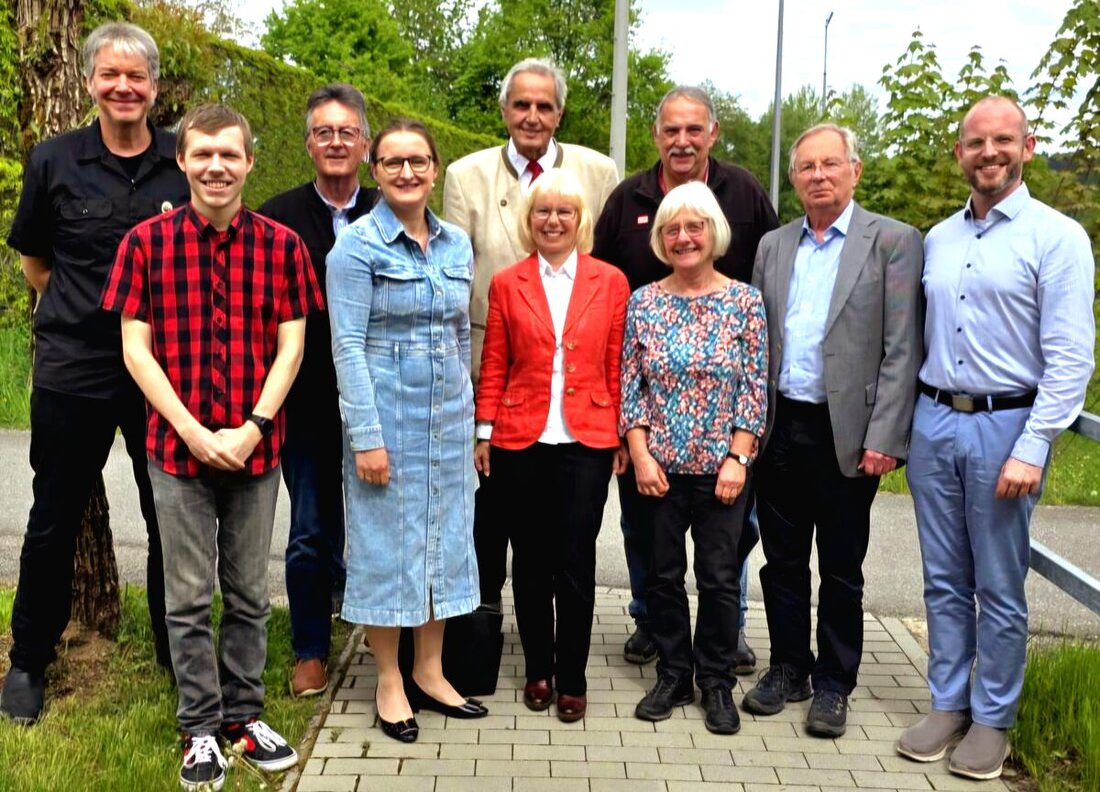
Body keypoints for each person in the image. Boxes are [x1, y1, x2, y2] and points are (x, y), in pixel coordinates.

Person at [102, 103, 321, 791]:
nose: (216, 166)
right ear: (182, 161)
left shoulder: (282, 246)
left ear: (250, 161)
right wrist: (192, 429)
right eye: (203, 155)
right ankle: (200, 727)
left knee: (250, 592)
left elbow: (294, 345)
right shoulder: (145, 243)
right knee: (189, 598)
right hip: (176, 450)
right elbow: (135, 348)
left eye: (230, 154)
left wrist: (254, 424)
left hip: (257, 449)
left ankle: (244, 716)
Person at [897, 96, 1094, 780]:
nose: (989, 153)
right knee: (943, 578)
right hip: (934, 421)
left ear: (1027, 146)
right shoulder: (938, 237)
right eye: (976, 143)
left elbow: (1070, 358)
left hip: (1007, 424)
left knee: (998, 583)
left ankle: (993, 718)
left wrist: (1034, 444)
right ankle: (948, 703)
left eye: (1003, 141)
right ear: (960, 153)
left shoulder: (1057, 237)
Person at [1, 21, 188, 725]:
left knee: (172, 516)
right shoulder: (53, 161)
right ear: (89, 83)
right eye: (110, 75)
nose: (124, 87)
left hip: (166, 373)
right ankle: (27, 663)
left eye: (137, 76)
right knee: (51, 520)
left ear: (155, 85)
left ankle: (180, 654)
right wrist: (80, 317)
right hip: (74, 369)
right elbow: (36, 265)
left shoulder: (183, 159)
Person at [744, 123, 922, 739]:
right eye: (807, 168)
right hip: (780, 424)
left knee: (842, 565)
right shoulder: (773, 245)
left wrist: (886, 436)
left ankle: (833, 683)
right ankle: (789, 667)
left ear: (855, 170)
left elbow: (903, 347)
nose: (818, 176)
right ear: (793, 178)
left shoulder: (894, 243)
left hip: (849, 431)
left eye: (830, 165)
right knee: (781, 560)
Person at [593, 86, 778, 669]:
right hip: (654, 438)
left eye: (693, 130)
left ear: (712, 133)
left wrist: (741, 452)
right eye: (671, 130)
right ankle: (656, 628)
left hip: (722, 437)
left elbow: (768, 278)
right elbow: (603, 294)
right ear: (655, 135)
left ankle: (728, 639)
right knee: (650, 546)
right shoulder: (627, 201)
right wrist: (630, 441)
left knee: (726, 554)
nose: (682, 141)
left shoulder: (745, 194)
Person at [328, 118, 488, 745]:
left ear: (434, 167)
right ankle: (389, 680)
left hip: (446, 424)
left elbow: (457, 334)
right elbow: (346, 346)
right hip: (386, 423)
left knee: (445, 545)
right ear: (375, 170)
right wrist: (366, 436)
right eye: (392, 162)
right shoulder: (357, 248)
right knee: (387, 548)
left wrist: (472, 423)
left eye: (417, 161)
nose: (406, 172)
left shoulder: (456, 245)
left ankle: (431, 670)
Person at [444, 57, 620, 613]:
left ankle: (554, 637)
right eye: (521, 104)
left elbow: (607, 283)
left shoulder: (598, 173)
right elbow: (456, 278)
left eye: (544, 105)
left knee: (568, 533)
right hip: (489, 369)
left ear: (560, 113)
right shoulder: (465, 176)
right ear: (504, 110)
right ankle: (485, 616)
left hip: (573, 388)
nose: (532, 115)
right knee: (493, 511)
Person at [474, 169, 630, 723]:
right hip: (521, 438)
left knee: (575, 561)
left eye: (565, 211)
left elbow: (616, 363)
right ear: (529, 220)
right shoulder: (507, 283)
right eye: (543, 212)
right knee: (531, 561)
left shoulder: (610, 282)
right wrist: (485, 431)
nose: (554, 220)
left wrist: (619, 435)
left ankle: (573, 676)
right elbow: (495, 361)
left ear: (581, 220)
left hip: (586, 440)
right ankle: (538, 668)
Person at [622, 181, 768, 736]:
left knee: (719, 577)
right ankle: (674, 673)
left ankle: (715, 682)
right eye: (672, 229)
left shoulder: (744, 302)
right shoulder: (644, 301)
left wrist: (738, 456)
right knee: (661, 576)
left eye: (694, 226)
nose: (684, 238)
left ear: (713, 234)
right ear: (661, 239)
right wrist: (639, 454)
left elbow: (755, 387)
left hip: (722, 469)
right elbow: (629, 386)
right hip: (657, 467)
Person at [258, 83, 379, 699]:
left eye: (346, 132)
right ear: (308, 143)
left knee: (381, 521)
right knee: (310, 525)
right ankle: (310, 647)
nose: (336, 142)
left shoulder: (391, 210)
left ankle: (390, 632)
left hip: (379, 402)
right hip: (304, 401)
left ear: (364, 143)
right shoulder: (276, 217)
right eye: (323, 132)